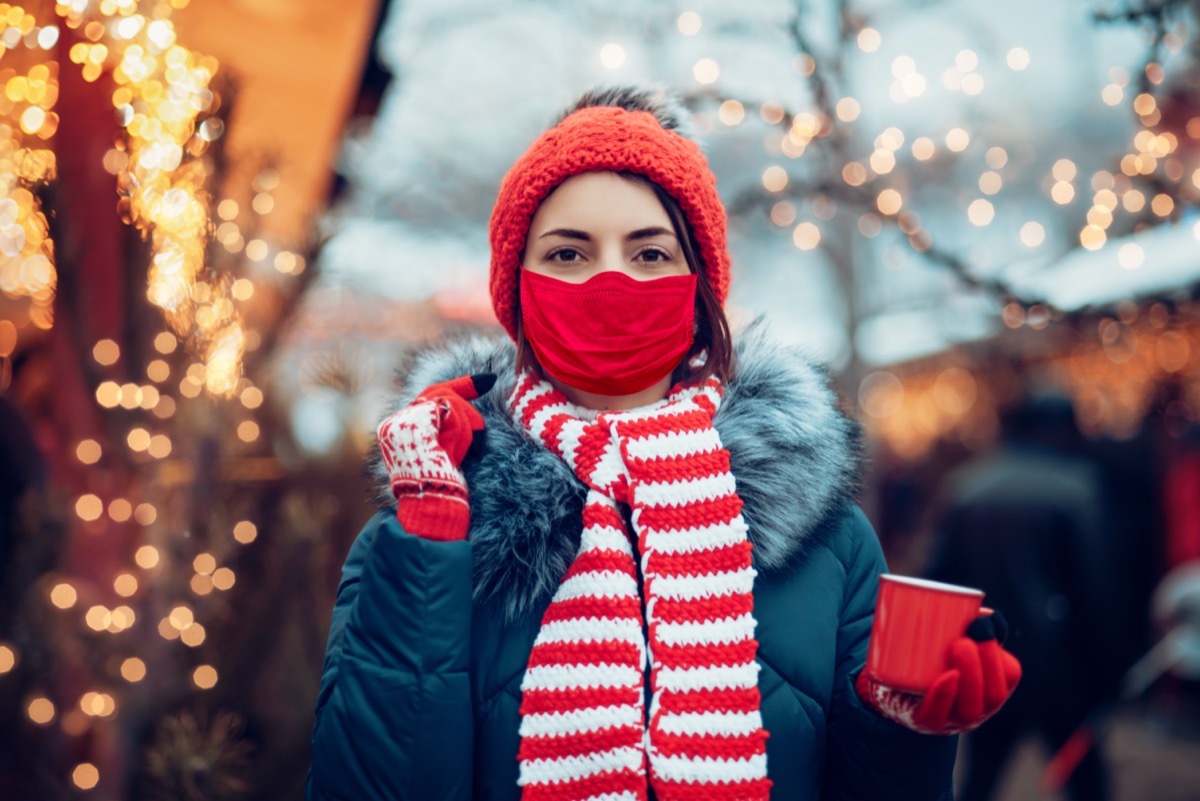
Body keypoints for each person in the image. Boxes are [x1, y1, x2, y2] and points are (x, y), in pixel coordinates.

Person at [307, 85, 1020, 800]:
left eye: (649, 254)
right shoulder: (427, 528)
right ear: (517, 290)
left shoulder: (828, 544)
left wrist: (901, 728)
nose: (611, 280)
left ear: (699, 287)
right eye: (567, 253)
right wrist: (429, 541)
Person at [926, 392, 1121, 801]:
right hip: (1063, 667)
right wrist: (1110, 666)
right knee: (1087, 780)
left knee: (980, 778)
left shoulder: (968, 485)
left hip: (988, 657)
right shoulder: (1077, 486)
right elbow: (1096, 588)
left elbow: (937, 577)